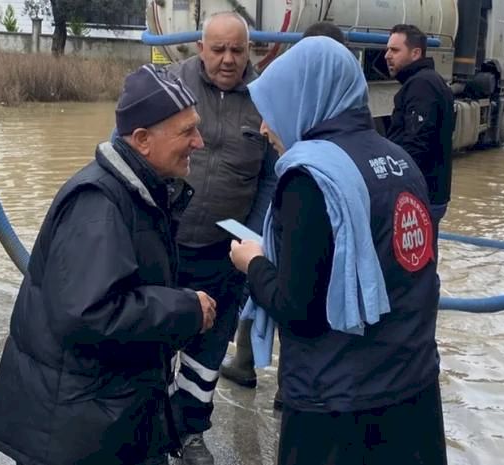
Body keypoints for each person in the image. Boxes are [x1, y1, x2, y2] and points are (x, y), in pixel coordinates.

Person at [229, 36, 447, 465]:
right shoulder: (402, 162)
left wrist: (252, 262)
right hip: (414, 392)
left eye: (273, 110)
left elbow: (299, 308)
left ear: (307, 100)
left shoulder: (310, 179)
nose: (265, 128)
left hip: (336, 408)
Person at [0, 64, 218, 465]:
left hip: (102, 415)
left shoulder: (141, 192)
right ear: (142, 140)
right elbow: (89, 315)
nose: (199, 142)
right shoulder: (97, 204)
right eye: (186, 132)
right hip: (75, 433)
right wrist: (185, 309)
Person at [218, 21, 351, 406]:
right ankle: (254, 364)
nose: (264, 128)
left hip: (274, 229)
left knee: (282, 284)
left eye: (236, 50)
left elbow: (297, 302)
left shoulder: (308, 170)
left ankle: (282, 382)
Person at [165, 11, 277, 465]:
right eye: (218, 50)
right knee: (149, 339)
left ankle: (190, 432)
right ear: (199, 48)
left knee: (208, 351)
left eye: (238, 49)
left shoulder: (265, 99)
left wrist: (249, 239)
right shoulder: (170, 85)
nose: (229, 60)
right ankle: (146, 423)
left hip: (223, 253)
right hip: (165, 242)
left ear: (248, 49)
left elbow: (271, 179)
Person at [385, 24, 456, 226]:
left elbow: (416, 144)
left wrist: (391, 187)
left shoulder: (422, 85)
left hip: (420, 196)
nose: (387, 55)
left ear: (416, 53)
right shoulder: (427, 81)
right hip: (429, 194)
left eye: (395, 50)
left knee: (412, 256)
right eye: (388, 49)